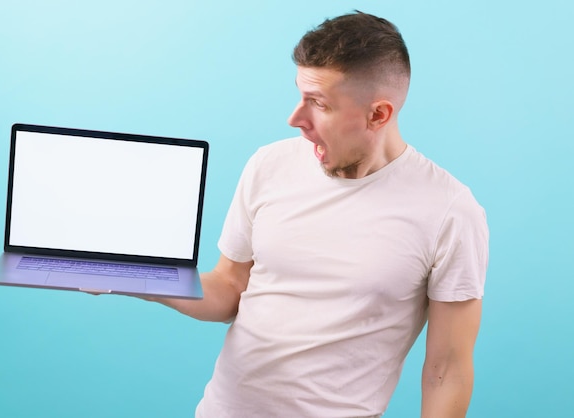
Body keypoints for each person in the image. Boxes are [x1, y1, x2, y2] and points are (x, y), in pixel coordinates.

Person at [145, 10, 489, 418]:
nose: (296, 119)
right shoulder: (268, 165)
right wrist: (138, 278)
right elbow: (228, 288)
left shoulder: (450, 211)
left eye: (318, 103)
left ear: (378, 114)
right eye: (300, 95)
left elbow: (445, 371)